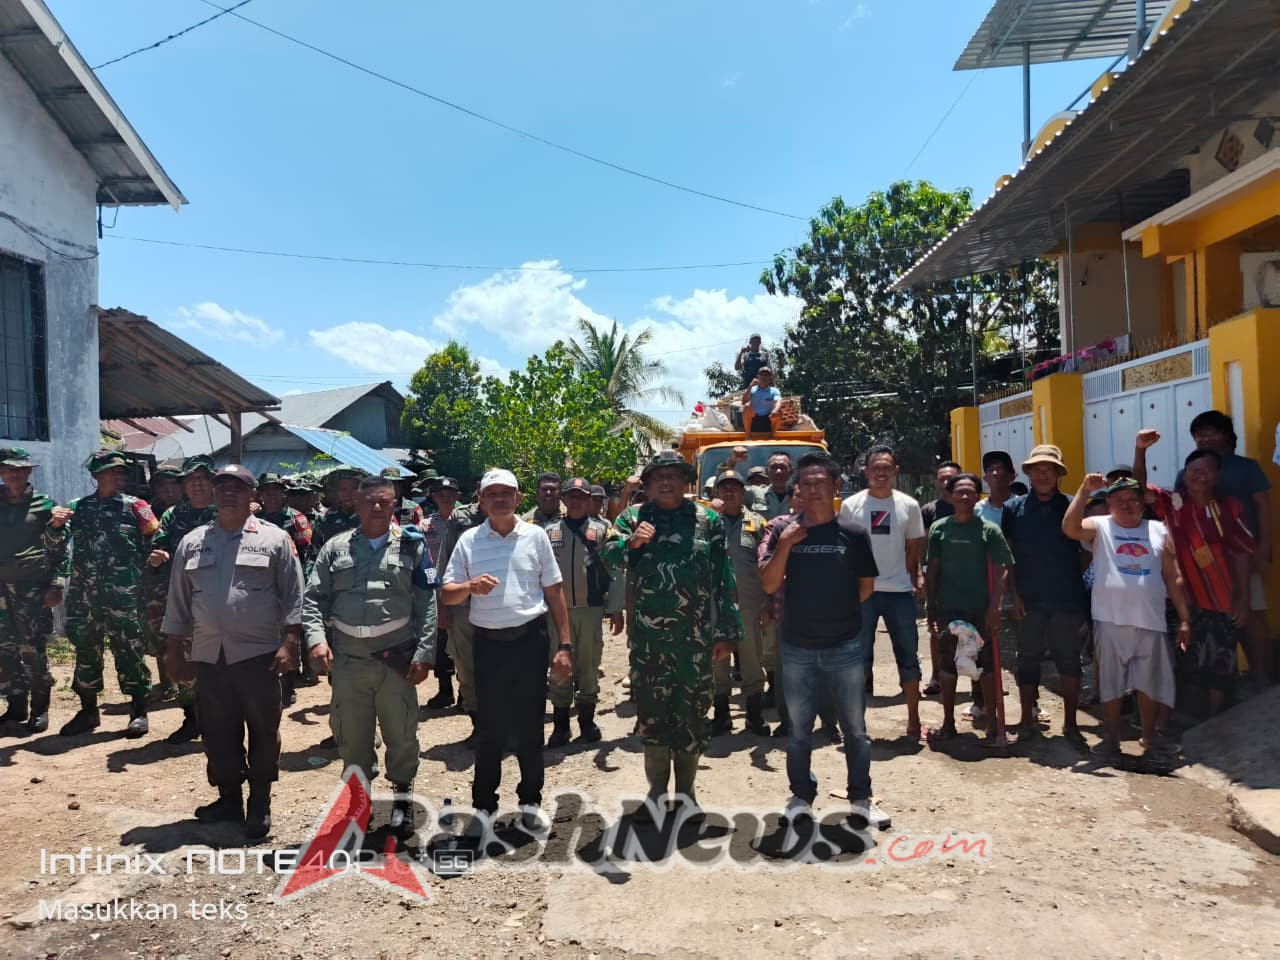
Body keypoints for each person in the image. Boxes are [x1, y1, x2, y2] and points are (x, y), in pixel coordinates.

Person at [161, 464, 304, 839]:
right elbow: (178, 599)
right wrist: (174, 649)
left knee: (263, 730)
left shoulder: (274, 539)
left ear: (251, 495)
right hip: (209, 656)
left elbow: (294, 594)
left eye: (237, 488)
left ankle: (259, 803)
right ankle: (229, 800)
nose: (228, 493)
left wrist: (292, 641)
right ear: (213, 492)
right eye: (221, 486)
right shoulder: (192, 542)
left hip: (259, 655)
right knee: (217, 732)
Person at [602, 451, 740, 821]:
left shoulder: (708, 520)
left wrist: (727, 630)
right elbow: (608, 554)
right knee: (652, 717)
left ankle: (687, 794)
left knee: (693, 716)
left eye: (674, 475)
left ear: (685, 482)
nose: (667, 482)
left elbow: (724, 577)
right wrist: (631, 543)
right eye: (658, 476)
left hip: (694, 641)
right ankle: (656, 794)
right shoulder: (633, 517)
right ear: (647, 484)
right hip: (648, 643)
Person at [305, 475, 438, 836]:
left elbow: (427, 602)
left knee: (401, 733)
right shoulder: (335, 548)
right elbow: (313, 598)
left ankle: (402, 801)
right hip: (349, 660)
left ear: (395, 504)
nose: (376, 507)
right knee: (352, 737)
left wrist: (425, 651)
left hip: (396, 659)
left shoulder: (412, 545)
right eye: (369, 501)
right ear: (357, 504)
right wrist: (316, 640)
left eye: (384, 501)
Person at [441, 469, 572, 835]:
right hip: (488, 646)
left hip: (530, 642)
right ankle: (484, 807)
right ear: (481, 501)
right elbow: (448, 593)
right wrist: (470, 587)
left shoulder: (536, 536)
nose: (499, 499)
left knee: (530, 729)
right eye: (492, 494)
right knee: (491, 731)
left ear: (518, 498)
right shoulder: (468, 541)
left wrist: (564, 645)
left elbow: (554, 591)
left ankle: (530, 803)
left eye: (506, 493)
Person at [759, 453, 883, 827]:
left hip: (845, 646)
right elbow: (769, 584)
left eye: (821, 483)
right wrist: (786, 545)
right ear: (798, 488)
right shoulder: (784, 531)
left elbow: (866, 586)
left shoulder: (854, 533)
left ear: (835, 487)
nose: (813, 490)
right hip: (796, 646)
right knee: (798, 731)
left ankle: (861, 798)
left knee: (855, 729)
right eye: (807, 483)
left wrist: (836, 613)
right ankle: (801, 796)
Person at [1063, 475, 1189, 761]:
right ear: (1109, 503)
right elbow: (1070, 528)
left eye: (1133, 499)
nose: (1127, 504)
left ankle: (1150, 737)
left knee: (1149, 683)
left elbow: (1174, 576)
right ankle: (1110, 738)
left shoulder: (1158, 530)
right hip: (1110, 620)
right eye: (1119, 499)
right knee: (1111, 683)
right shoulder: (1100, 525)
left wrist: (1184, 618)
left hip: (1151, 619)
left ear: (1142, 504)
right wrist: (1083, 490)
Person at [1135, 430, 1254, 716]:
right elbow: (1138, 490)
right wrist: (1140, 450)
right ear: (1185, 474)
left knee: (1220, 662)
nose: (1200, 475)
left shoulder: (1230, 507)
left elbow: (1241, 554)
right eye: (1194, 470)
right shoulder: (1172, 503)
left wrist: (1242, 597)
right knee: (1178, 658)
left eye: (1206, 470)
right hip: (1182, 600)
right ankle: (1174, 719)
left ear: (1217, 476)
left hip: (1222, 599)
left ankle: (1213, 720)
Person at [58, 450, 159, 738]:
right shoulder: (77, 508)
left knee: (130, 651)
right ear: (96, 475)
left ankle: (139, 711)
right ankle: (88, 711)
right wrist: (54, 527)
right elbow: (55, 544)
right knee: (86, 652)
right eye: (111, 471)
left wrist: (154, 561)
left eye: (121, 472)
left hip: (123, 595)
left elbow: (156, 540)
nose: (118, 476)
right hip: (85, 596)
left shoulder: (137, 507)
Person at [1000, 445, 1090, 744]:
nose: (1042, 474)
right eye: (1037, 469)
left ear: (1058, 474)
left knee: (1069, 658)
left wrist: (1069, 577)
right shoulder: (1013, 509)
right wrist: (1014, 595)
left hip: (1066, 598)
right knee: (1027, 657)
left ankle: (1071, 724)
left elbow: (1086, 552)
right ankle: (1027, 719)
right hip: (1028, 597)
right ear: (1028, 473)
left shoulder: (1072, 506)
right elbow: (1008, 555)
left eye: (1049, 469)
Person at [1178, 410, 1272, 686]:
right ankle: (1221, 680)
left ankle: (1260, 674)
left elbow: (1263, 507)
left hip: (1244, 554)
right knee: (1212, 617)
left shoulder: (1246, 467)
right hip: (1203, 562)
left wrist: (1264, 548)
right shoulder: (1187, 472)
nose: (1204, 438)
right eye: (1198, 434)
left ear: (1226, 434)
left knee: (1251, 613)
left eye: (1210, 432)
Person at [839, 445, 926, 741]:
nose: (881, 473)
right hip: (861, 593)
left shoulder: (908, 505)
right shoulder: (850, 506)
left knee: (908, 656)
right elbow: (845, 549)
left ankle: (914, 720)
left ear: (895, 471)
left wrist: (916, 577)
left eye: (886, 467)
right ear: (865, 471)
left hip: (898, 591)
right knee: (858, 659)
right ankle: (855, 725)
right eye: (875, 467)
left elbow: (914, 547)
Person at [924, 472, 1014, 745]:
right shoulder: (939, 528)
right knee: (947, 666)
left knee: (986, 666)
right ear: (950, 496)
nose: (964, 496)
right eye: (959, 491)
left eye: (970, 492)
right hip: (948, 608)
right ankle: (948, 723)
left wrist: (996, 606)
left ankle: (992, 725)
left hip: (981, 608)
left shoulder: (989, 529)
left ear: (977, 496)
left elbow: (1002, 568)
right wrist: (930, 605)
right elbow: (933, 569)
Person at [544, 477, 624, 747]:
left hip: (590, 610)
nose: (576, 501)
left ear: (590, 500)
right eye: (571, 496)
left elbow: (616, 570)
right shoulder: (548, 532)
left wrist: (615, 608)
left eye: (581, 496)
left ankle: (587, 723)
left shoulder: (603, 531)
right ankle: (561, 726)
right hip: (558, 612)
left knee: (589, 666)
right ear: (563, 500)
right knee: (559, 666)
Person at [146, 455, 218, 744]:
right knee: (183, 658)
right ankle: (191, 718)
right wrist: (157, 556)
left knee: (216, 659)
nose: (197, 485)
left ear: (212, 482)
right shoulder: (172, 514)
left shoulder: (225, 511)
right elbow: (158, 544)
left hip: (216, 598)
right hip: (180, 596)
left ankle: (217, 719)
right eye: (191, 480)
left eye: (203, 479)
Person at [0, 448, 69, 734]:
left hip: (32, 588)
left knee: (33, 649)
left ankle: (40, 708)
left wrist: (56, 585)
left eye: (19, 469)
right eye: (8, 470)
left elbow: (60, 549)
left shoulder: (45, 505)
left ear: (28, 472)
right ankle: (16, 705)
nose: (13, 475)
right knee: (4, 649)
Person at [710, 469, 772, 737]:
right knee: (717, 662)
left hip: (749, 603)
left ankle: (754, 716)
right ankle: (721, 715)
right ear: (717, 492)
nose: (729, 491)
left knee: (752, 660)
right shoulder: (706, 520)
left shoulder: (758, 523)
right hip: (715, 605)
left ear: (743, 491)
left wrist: (767, 602)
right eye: (724, 487)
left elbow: (766, 563)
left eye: (734, 487)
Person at [256, 472, 314, 708]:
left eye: (276, 490)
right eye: (266, 491)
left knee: (295, 628)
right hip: (265, 584)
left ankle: (296, 678)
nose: (271, 495)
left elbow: (307, 552)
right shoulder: (255, 518)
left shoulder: (296, 518)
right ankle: (280, 681)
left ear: (283, 493)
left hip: (291, 580)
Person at [437, 484, 487, 744]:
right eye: (487, 491)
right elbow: (444, 563)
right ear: (478, 492)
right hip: (464, 606)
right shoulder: (460, 518)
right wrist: (442, 607)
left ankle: (503, 729)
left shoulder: (514, 521)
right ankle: (479, 726)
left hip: (501, 610)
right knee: (467, 669)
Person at [422, 477, 461, 709]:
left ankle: (466, 693)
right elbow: (422, 559)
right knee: (440, 642)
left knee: (463, 641)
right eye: (440, 493)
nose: (445, 497)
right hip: (436, 590)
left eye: (450, 493)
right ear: (434, 496)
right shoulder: (426, 526)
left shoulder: (466, 522)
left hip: (463, 589)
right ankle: (445, 690)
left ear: (458, 496)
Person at [312, 466, 364, 552]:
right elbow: (315, 552)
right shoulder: (323, 519)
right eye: (342, 489)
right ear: (335, 492)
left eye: (354, 488)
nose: (347, 493)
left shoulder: (372, 517)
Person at [742, 367, 782, 440]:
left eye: (767, 375)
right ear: (758, 376)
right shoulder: (752, 389)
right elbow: (744, 402)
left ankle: (772, 436)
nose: (764, 377)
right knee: (747, 406)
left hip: (769, 419)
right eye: (762, 375)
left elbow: (778, 402)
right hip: (754, 419)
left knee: (779, 411)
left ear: (770, 378)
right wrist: (750, 386)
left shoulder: (774, 390)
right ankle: (748, 436)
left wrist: (775, 410)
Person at [920, 461, 960, 530]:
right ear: (936, 482)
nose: (946, 483)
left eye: (950, 479)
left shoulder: (971, 508)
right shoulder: (928, 510)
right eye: (941, 479)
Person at [762, 453, 794, 520]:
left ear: (791, 471)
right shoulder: (753, 494)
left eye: (783, 467)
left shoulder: (801, 496)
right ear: (766, 471)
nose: (778, 471)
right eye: (773, 467)